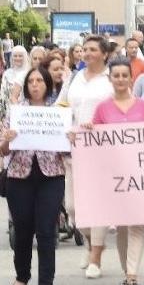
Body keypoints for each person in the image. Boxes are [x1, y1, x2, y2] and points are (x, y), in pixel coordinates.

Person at [78, 57, 144, 285]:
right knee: (122, 227)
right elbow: (94, 141)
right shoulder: (102, 108)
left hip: (139, 174)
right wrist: (87, 129)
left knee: (136, 225)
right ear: (110, 78)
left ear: (131, 78)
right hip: (112, 177)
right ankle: (126, 269)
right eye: (116, 75)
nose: (121, 79)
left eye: (125, 75)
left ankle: (132, 275)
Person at [1, 67, 66, 285]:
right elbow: (4, 150)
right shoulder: (15, 111)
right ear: (26, 85)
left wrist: (70, 139)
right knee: (23, 230)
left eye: (40, 81)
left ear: (48, 84)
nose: (35, 85)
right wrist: (7, 139)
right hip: (19, 176)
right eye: (31, 81)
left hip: (52, 176)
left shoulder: (59, 112)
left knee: (47, 231)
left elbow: (66, 151)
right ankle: (22, 277)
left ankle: (46, 280)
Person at [57, 34, 114, 279]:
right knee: (73, 207)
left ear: (104, 54)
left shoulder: (112, 79)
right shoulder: (75, 77)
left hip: (101, 150)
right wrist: (62, 128)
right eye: (85, 49)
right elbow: (61, 105)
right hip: (73, 149)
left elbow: (119, 109)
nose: (87, 53)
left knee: (97, 205)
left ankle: (96, 258)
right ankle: (91, 243)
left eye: (92, 49)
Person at [0, 46, 30, 122]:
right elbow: (2, 95)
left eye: (20, 56)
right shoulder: (7, 73)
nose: (18, 58)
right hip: (9, 112)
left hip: (26, 113)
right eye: (15, 56)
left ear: (25, 57)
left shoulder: (30, 73)